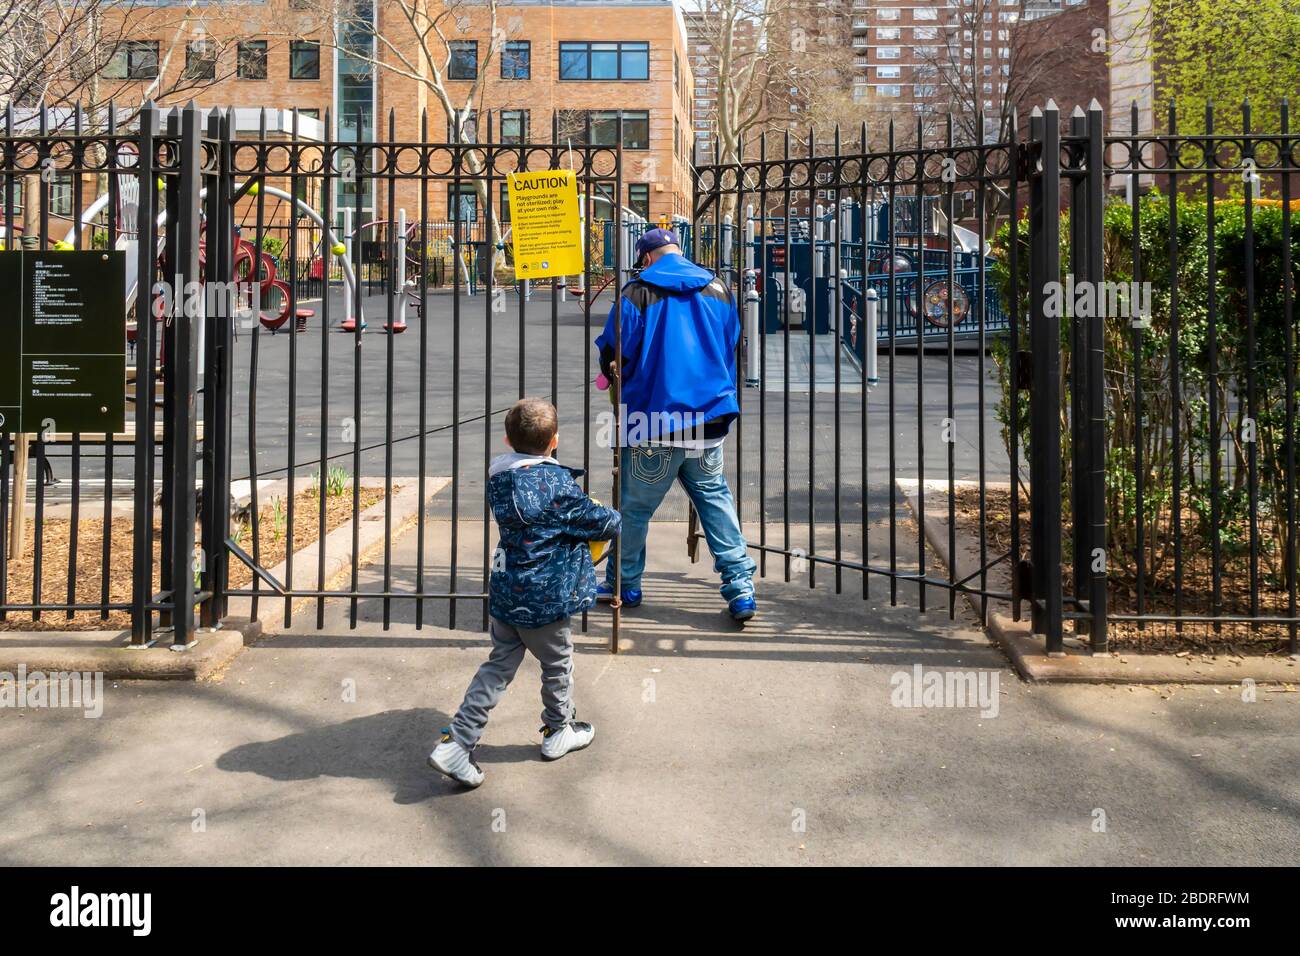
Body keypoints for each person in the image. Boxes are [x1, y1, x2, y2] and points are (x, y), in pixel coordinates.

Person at [429, 397, 621, 788]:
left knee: (498, 666)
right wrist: (612, 513)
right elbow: (604, 522)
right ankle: (558, 730)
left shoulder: (499, 480)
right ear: (554, 441)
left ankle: (457, 741)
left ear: (506, 439)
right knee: (558, 663)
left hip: (506, 589)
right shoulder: (556, 485)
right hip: (545, 597)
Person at [594, 227, 757, 622]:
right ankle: (741, 589)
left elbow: (616, 349)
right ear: (677, 251)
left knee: (634, 509)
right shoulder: (718, 288)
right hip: (710, 416)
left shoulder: (636, 293)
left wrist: (612, 369)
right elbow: (730, 343)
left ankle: (625, 584)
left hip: (654, 419)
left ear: (646, 258)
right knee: (715, 501)